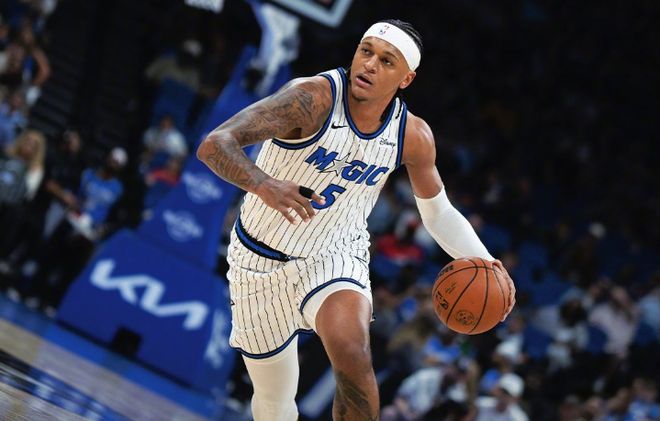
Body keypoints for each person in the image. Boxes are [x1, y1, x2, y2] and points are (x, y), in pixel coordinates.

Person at [197, 19, 517, 421]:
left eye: (387, 61)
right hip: (257, 259)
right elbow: (215, 145)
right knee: (275, 396)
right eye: (366, 51)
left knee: (353, 353)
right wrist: (264, 184)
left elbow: (438, 213)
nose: (369, 64)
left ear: (406, 79)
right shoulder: (310, 98)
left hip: (335, 253)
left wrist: (488, 263)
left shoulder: (412, 136)